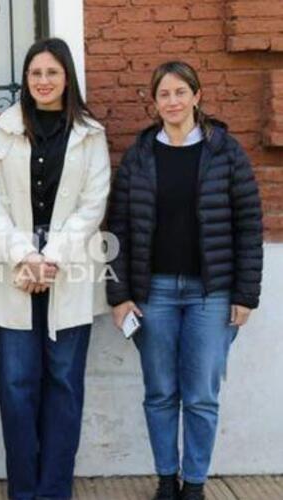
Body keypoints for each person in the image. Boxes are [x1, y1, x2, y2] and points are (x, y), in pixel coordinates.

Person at [107, 61, 263, 500]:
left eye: (180, 92)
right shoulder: (140, 156)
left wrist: (245, 294)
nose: (172, 101)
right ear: (154, 103)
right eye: (164, 94)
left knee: (200, 396)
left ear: (197, 95)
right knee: (159, 392)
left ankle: (193, 484)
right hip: (152, 292)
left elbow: (249, 224)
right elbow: (117, 228)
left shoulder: (225, 152)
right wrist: (118, 296)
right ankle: (165, 480)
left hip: (210, 295)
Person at [0, 38, 111, 500]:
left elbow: (93, 205)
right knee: (16, 389)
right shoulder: (5, 128)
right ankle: (24, 491)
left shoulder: (90, 134)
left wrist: (50, 257)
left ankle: (55, 491)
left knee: (64, 388)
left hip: (66, 271)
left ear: (67, 77)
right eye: (35, 73)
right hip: (14, 270)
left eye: (52, 72)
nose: (43, 81)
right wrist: (24, 255)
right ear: (26, 79)